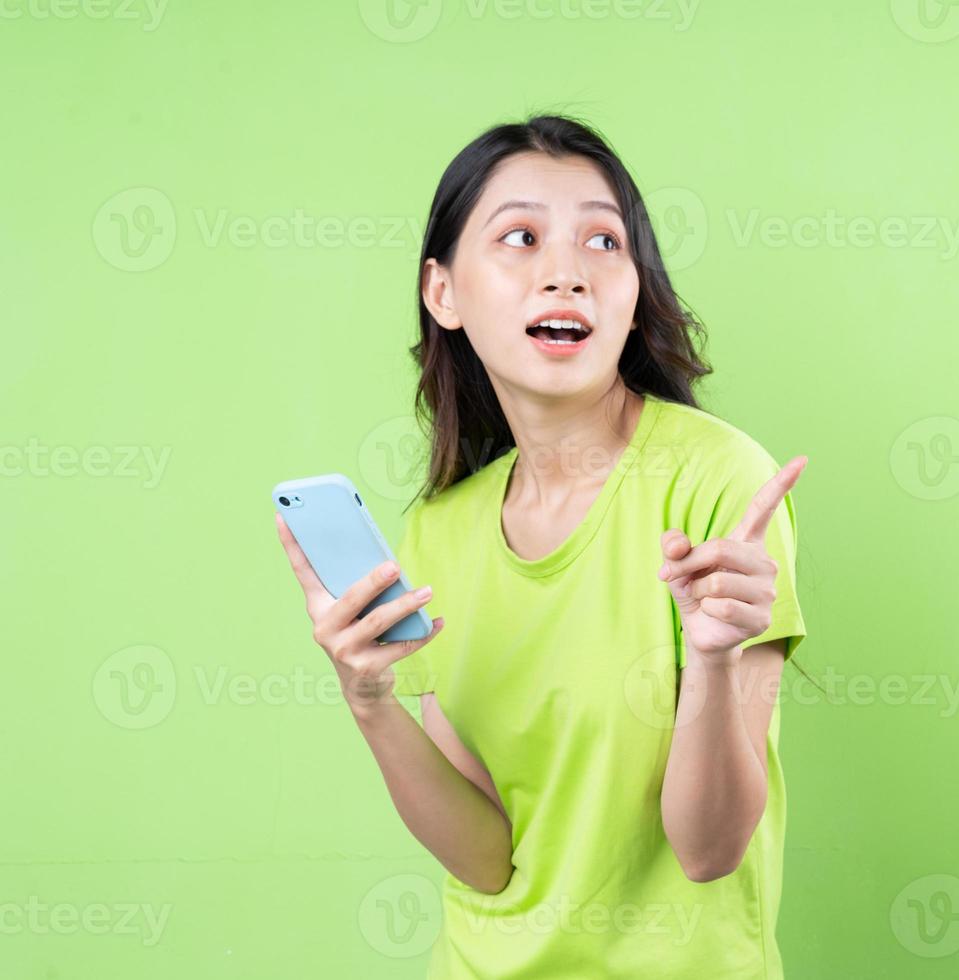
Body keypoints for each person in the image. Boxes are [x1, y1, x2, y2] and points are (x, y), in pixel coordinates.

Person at [273, 113, 809, 978]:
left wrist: (710, 662)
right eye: (520, 236)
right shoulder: (440, 531)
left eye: (605, 242)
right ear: (442, 292)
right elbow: (487, 858)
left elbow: (709, 853)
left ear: (636, 296)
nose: (567, 273)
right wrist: (367, 698)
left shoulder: (718, 482)